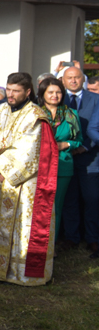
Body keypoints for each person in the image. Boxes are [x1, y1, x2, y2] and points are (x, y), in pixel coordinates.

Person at [0, 72, 58, 285]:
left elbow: (30, 150)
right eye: (8, 89)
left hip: (24, 183)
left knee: (22, 227)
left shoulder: (36, 115)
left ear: (28, 92)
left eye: (16, 91)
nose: (11, 94)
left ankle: (20, 273)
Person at [59, 66, 99, 255]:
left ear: (83, 80)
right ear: (63, 80)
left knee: (92, 198)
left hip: (90, 158)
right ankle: (71, 237)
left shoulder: (96, 99)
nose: (73, 81)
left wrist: (84, 147)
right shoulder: (58, 99)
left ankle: (92, 238)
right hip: (65, 158)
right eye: (70, 78)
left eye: (77, 77)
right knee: (69, 199)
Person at [40, 77, 82, 246]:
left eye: (58, 92)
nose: (55, 95)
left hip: (62, 165)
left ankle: (51, 246)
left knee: (55, 208)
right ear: (42, 94)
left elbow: (79, 140)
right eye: (51, 92)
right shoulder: (35, 113)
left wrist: (67, 144)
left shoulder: (72, 114)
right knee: (39, 207)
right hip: (39, 165)